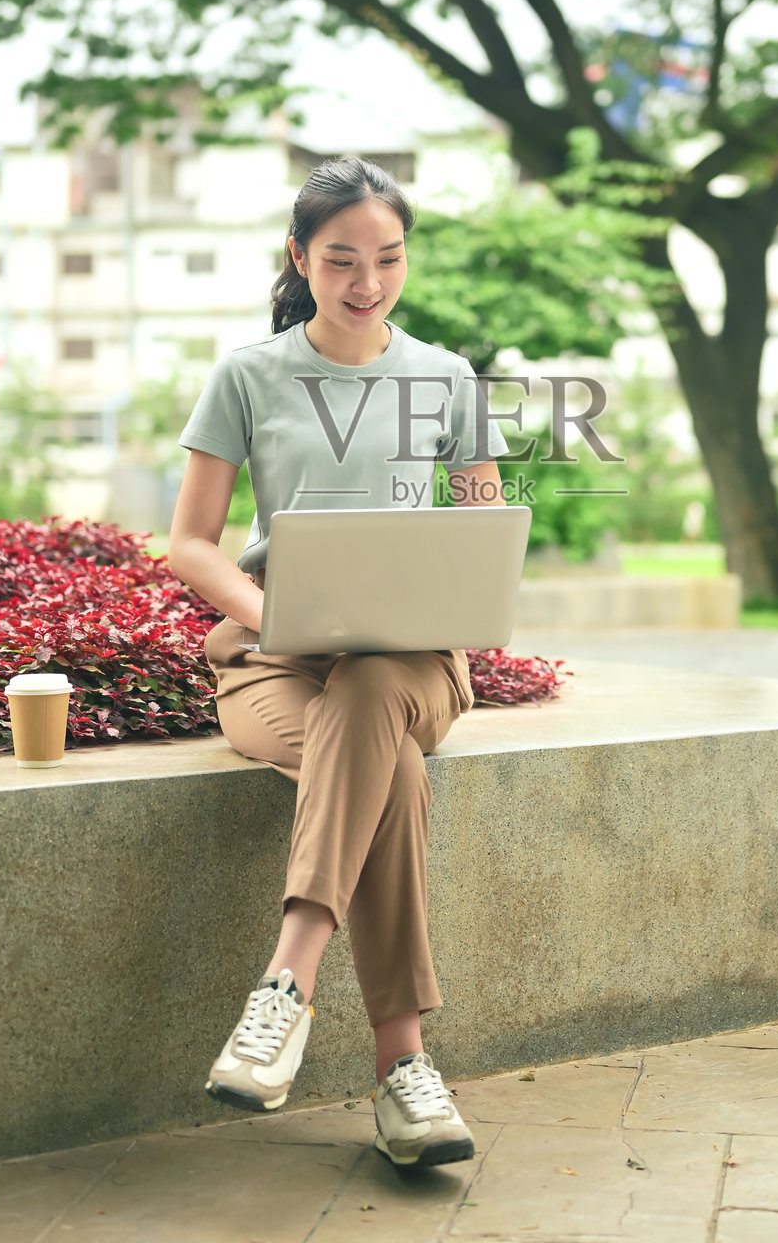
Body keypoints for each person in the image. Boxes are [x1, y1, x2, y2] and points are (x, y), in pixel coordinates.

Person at [168, 157, 510, 1169]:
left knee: (371, 685)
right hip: (276, 666)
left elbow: (480, 530)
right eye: (342, 260)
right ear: (299, 259)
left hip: (408, 664)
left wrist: (453, 586)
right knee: (384, 767)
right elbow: (189, 541)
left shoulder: (446, 378)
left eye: (389, 258)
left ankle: (284, 986)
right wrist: (279, 614)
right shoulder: (246, 375)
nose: (368, 282)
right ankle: (403, 1070)